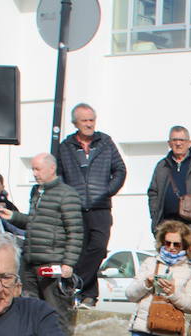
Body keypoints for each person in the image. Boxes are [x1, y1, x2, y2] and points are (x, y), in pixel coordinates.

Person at [0, 153, 84, 330]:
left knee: (56, 313)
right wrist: (13, 217)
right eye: (33, 169)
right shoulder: (37, 191)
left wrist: (68, 263)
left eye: (38, 169)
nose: (34, 174)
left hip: (52, 262)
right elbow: (35, 222)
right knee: (30, 311)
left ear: (52, 168)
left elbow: (75, 231)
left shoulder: (67, 195)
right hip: (30, 261)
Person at [57, 104, 125, 307]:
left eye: (91, 120)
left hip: (100, 206)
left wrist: (107, 190)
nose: (89, 124)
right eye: (84, 120)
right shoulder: (65, 146)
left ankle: (75, 281)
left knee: (98, 247)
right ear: (75, 123)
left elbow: (120, 170)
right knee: (80, 250)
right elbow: (59, 174)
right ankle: (89, 295)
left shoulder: (105, 142)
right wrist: (67, 197)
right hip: (75, 208)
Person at [146, 125, 191, 231]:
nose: (178, 143)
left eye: (181, 140)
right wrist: (155, 217)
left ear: (189, 143)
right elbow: (153, 193)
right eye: (174, 140)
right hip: (166, 225)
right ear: (169, 143)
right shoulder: (161, 166)